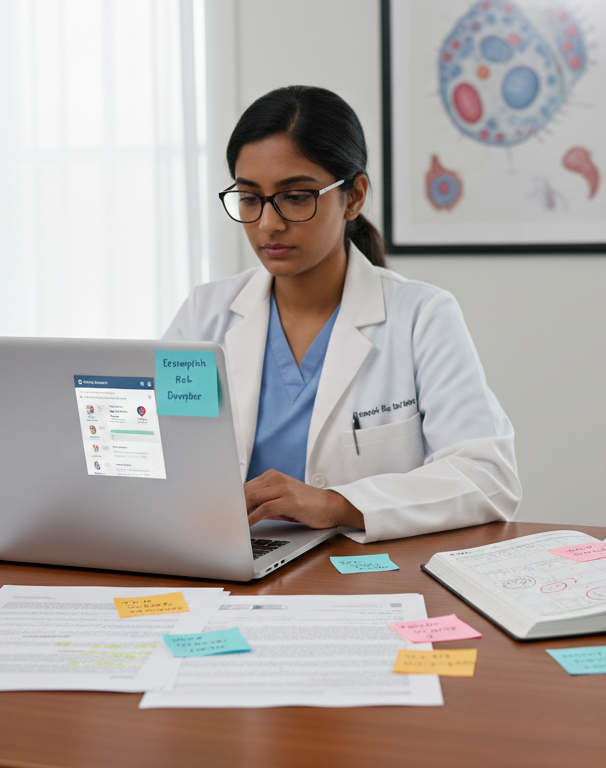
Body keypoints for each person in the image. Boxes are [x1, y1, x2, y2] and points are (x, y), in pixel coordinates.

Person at [163, 85, 519, 543]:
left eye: (295, 196)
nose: (268, 223)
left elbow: (488, 478)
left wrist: (336, 504)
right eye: (250, 198)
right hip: (230, 563)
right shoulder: (203, 316)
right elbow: (165, 450)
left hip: (364, 575)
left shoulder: (421, 318)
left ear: (353, 197)